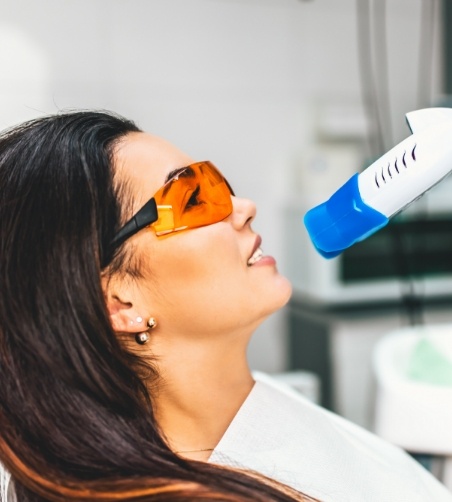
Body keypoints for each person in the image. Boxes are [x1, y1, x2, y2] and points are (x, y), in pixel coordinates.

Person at [0, 110, 450, 502]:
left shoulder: (265, 403)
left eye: (218, 184)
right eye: (193, 198)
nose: (245, 207)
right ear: (120, 303)